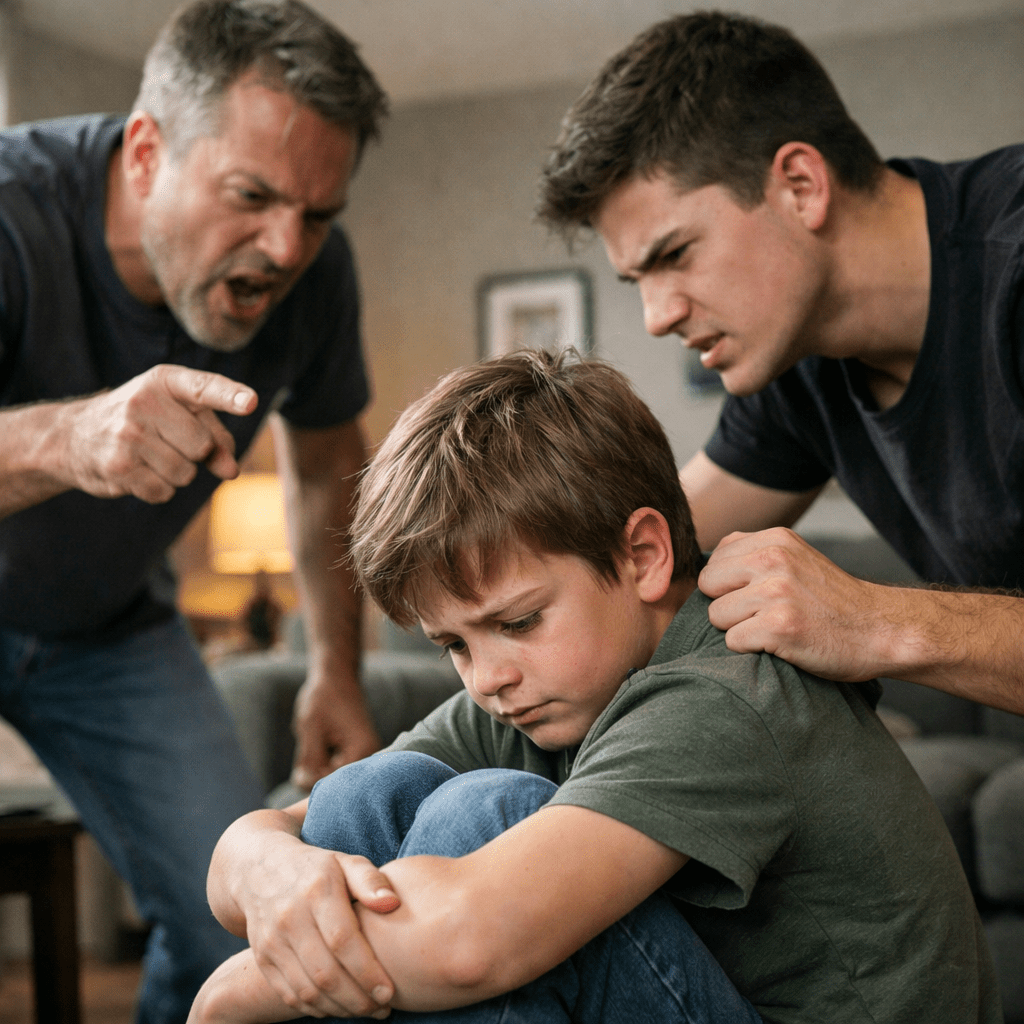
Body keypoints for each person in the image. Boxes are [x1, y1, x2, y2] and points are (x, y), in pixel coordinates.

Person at [190, 350, 999, 1024]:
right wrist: (268, 866)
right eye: (453, 645)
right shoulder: (539, 688)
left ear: (643, 557)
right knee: (377, 791)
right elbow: (288, 830)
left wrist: (242, 992)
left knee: (482, 818)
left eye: (518, 621)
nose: (489, 678)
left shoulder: (722, 694)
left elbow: (472, 940)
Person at [0, 0, 387, 1019]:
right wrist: (66, 438)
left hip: (107, 628)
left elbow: (323, 470)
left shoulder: (316, 276)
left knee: (250, 907)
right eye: (251, 195)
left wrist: (334, 667)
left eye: (318, 213)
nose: (285, 246)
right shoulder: (10, 212)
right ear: (143, 151)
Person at [537, 11, 1024, 717]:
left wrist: (869, 621)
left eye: (673, 255)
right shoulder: (801, 366)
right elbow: (629, 563)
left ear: (800, 184)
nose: (656, 316)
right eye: (637, 280)